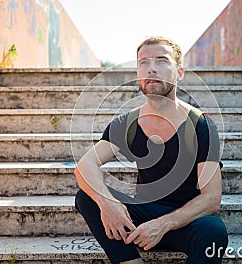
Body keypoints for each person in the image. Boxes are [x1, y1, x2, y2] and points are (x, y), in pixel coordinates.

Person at [74, 36, 228, 264]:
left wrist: (162, 225)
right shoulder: (127, 123)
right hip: (139, 223)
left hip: (182, 222)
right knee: (86, 196)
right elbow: (84, 166)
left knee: (214, 230)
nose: (151, 69)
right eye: (143, 62)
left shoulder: (201, 126)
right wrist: (109, 204)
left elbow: (212, 198)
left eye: (162, 61)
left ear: (180, 72)